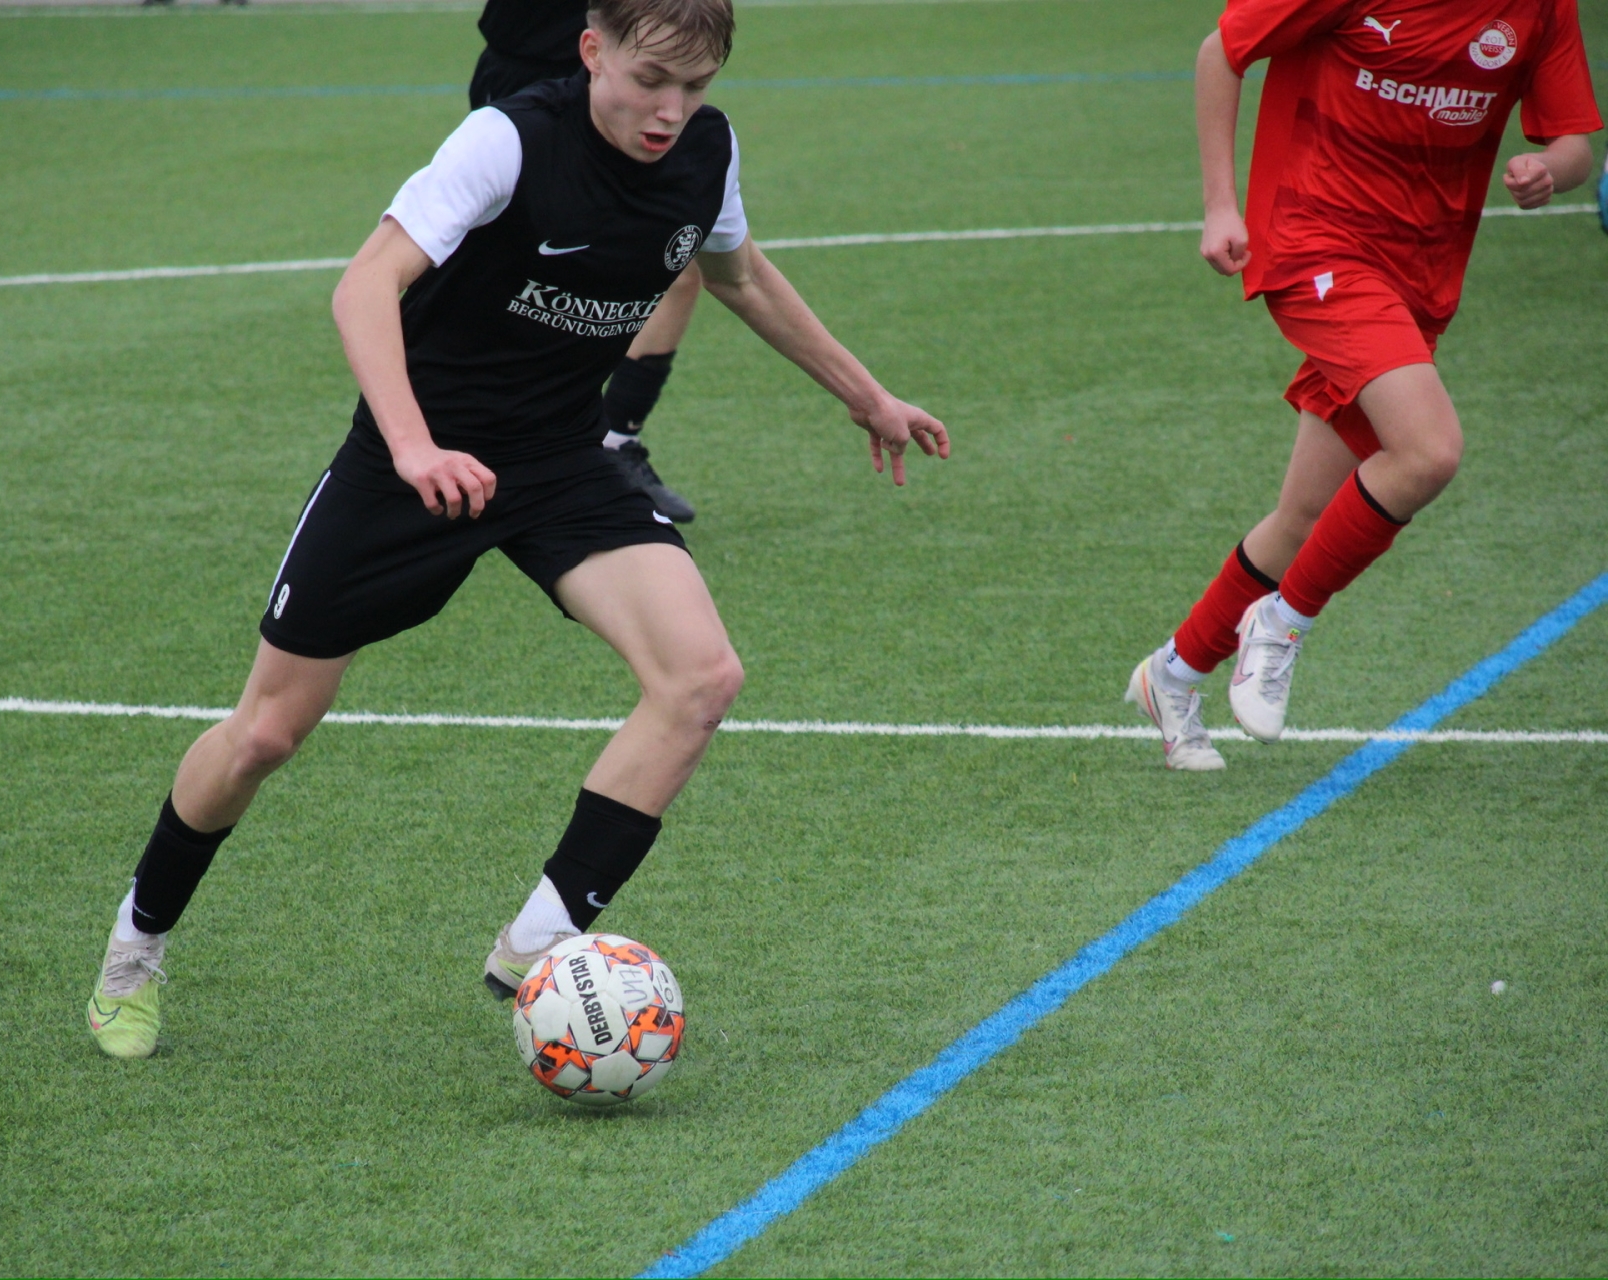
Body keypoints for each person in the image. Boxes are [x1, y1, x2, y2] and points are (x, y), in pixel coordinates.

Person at [85, 0, 948, 1058]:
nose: (670, 111)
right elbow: (365, 285)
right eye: (649, 80)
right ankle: (136, 944)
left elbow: (739, 274)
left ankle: (539, 942)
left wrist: (867, 396)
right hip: (413, 462)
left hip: (559, 460)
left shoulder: (706, 153)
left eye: (695, 87)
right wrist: (413, 447)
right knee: (265, 732)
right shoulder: (508, 139)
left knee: (700, 678)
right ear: (592, 51)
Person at [1124, 0, 1600, 770]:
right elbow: (1222, 50)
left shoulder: (1542, 7)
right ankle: (1281, 621)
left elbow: (1576, 143)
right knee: (1428, 451)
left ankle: (1171, 677)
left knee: (1305, 516)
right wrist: (1219, 206)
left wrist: (1551, 169)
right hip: (1315, 239)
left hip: (1421, 275)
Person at [471, 0, 705, 522]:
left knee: (680, 265)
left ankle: (616, 441)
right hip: (532, 71)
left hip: (634, 76)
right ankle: (472, 434)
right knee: (501, 271)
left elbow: (744, 277)